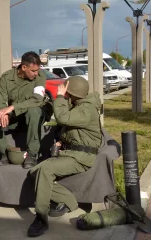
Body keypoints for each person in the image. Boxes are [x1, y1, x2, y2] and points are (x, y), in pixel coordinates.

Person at [27, 76, 102, 237]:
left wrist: (60, 97)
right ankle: (69, 200)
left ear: (72, 93)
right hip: (72, 153)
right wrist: (62, 140)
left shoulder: (86, 109)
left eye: (67, 91)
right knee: (35, 172)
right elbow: (74, 129)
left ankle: (41, 217)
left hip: (82, 156)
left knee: (45, 170)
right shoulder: (79, 105)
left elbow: (63, 117)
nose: (65, 94)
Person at [0, 51, 47, 169]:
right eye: (33, 71)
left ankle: (32, 154)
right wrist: (2, 112)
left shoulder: (40, 77)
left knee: (34, 111)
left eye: (37, 70)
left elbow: (37, 99)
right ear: (24, 67)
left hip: (32, 116)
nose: (36, 73)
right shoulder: (7, 78)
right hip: (14, 117)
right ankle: (4, 153)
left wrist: (12, 107)